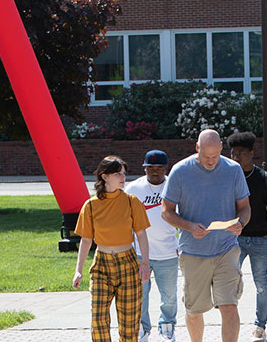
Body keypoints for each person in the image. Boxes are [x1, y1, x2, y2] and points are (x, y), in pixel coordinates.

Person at [161, 130, 251, 342]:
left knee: (229, 305)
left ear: (221, 148)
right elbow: (166, 211)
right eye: (205, 157)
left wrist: (240, 223)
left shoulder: (233, 170)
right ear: (197, 148)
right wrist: (190, 226)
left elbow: (245, 208)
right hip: (193, 252)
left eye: (215, 156)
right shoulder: (180, 171)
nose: (211, 162)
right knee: (194, 310)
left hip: (226, 249)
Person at [72, 156, 152, 342]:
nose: (123, 177)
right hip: (102, 264)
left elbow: (141, 235)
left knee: (130, 323)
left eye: (124, 174)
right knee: (98, 319)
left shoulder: (132, 201)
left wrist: (145, 264)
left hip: (128, 264)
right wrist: (78, 271)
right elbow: (86, 240)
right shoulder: (91, 205)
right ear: (104, 176)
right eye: (118, 174)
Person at [226, 132, 267, 342]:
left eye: (240, 153)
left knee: (261, 283)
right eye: (233, 153)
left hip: (260, 238)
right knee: (230, 281)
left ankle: (260, 327)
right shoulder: (228, 178)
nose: (236, 157)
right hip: (235, 239)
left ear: (252, 153)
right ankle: (230, 321)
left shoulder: (265, 179)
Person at [127, 150, 179, 341]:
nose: (155, 172)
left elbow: (184, 217)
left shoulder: (174, 187)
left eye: (159, 168)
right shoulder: (133, 189)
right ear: (145, 168)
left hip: (168, 252)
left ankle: (167, 327)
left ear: (166, 168)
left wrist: (181, 245)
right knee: (140, 294)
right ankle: (142, 328)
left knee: (169, 296)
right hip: (140, 253)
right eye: (151, 168)